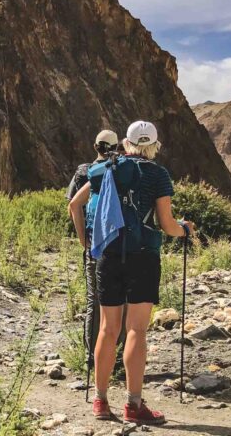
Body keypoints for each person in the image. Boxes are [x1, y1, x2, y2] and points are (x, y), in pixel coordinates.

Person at [69, 121, 195, 425]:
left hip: (108, 257)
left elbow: (75, 203)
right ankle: (134, 405)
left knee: (107, 329)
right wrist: (185, 230)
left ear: (127, 143)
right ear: (153, 146)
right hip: (143, 257)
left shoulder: (104, 169)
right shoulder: (158, 174)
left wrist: (86, 240)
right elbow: (166, 224)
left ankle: (100, 401)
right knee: (136, 329)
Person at [66, 130, 125, 380]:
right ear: (118, 147)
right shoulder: (122, 169)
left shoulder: (84, 172)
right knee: (121, 301)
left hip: (92, 244)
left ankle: (92, 357)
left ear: (95, 146)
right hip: (118, 242)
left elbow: (72, 204)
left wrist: (83, 239)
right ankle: (118, 359)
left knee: (95, 300)